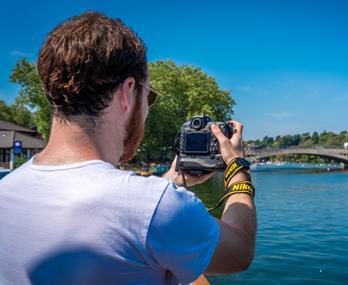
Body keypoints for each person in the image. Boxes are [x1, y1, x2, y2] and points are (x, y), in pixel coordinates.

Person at [0, 12, 256, 285]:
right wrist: (237, 169)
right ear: (127, 92)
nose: (146, 110)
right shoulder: (158, 207)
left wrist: (175, 179)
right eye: (150, 97)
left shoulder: (6, 191)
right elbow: (239, 251)